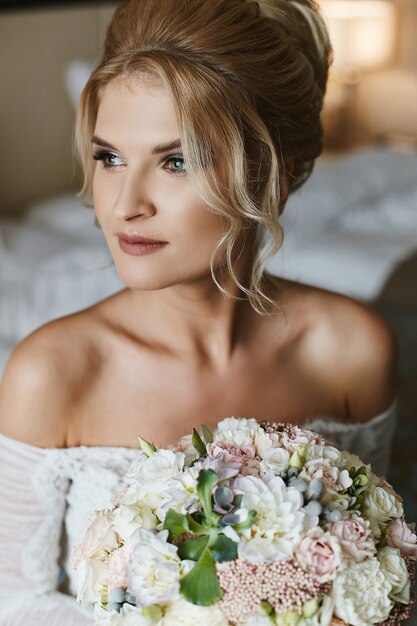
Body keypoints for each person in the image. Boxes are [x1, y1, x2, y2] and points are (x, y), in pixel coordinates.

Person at [0, 0, 397, 623]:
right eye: (109, 158)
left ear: (275, 175)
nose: (125, 204)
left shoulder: (352, 351)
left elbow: (371, 570)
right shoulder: (51, 373)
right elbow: (13, 600)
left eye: (177, 160)